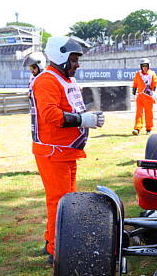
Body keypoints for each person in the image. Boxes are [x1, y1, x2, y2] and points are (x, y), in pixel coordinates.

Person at [30, 36, 105, 263]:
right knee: (61, 202)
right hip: (53, 152)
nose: (77, 65)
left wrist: (86, 118)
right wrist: (83, 120)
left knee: (65, 200)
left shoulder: (63, 79)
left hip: (64, 151)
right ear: (61, 57)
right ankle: (56, 251)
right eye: (74, 60)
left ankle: (50, 240)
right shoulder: (47, 81)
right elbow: (51, 115)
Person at [132, 57, 157, 135]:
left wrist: (155, 92)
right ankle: (137, 128)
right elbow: (135, 84)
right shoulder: (138, 74)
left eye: (146, 66)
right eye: (143, 66)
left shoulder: (152, 74)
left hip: (148, 97)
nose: (144, 68)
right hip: (140, 97)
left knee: (148, 113)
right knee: (138, 113)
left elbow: (156, 84)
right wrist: (134, 93)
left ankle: (148, 128)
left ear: (148, 66)